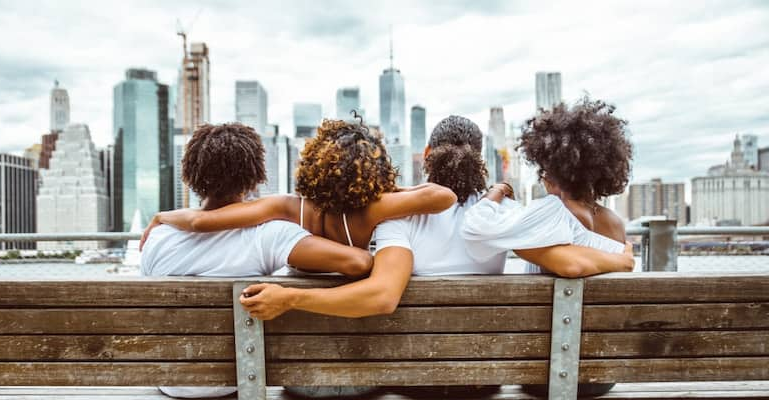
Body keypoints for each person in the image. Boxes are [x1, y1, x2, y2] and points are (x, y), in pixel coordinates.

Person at [239, 115, 634, 397]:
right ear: (481, 158)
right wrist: (620, 259)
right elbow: (567, 261)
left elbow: (381, 295)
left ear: (427, 153)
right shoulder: (499, 218)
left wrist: (290, 296)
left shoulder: (399, 216)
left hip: (415, 377)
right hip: (483, 378)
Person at [140, 122, 375, 399]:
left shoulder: (157, 237)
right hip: (236, 379)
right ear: (254, 177)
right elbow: (358, 262)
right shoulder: (269, 235)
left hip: (171, 381)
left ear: (190, 174)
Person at [461, 97, 633, 397]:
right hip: (603, 374)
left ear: (554, 170)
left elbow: (475, 228)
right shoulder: (616, 223)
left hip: (549, 372)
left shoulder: (553, 210)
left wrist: (496, 192)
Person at [140, 119, 457, 252]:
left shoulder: (287, 206)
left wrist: (162, 216)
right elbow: (443, 196)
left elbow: (199, 221)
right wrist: (380, 188)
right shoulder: (375, 208)